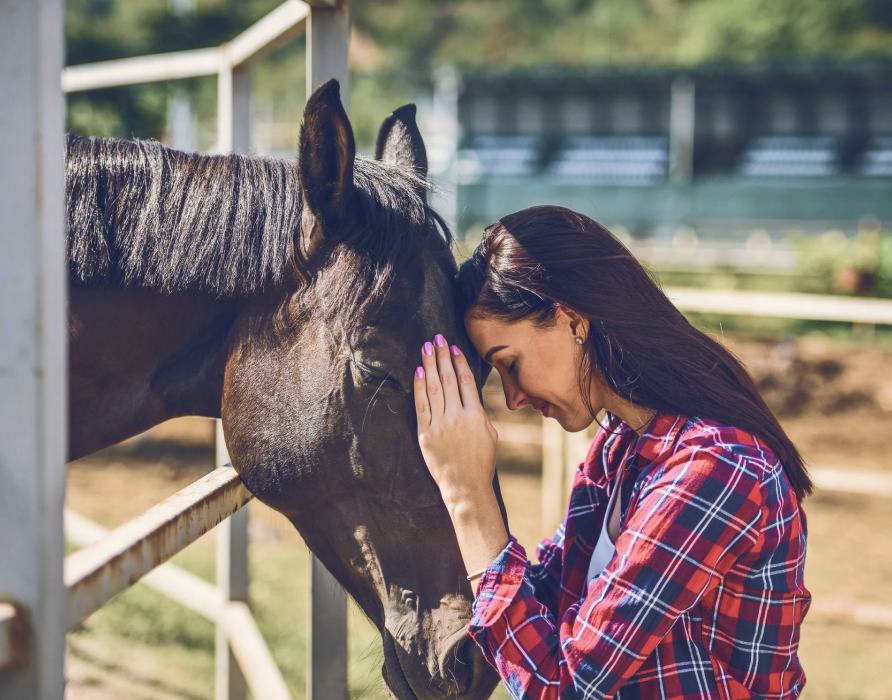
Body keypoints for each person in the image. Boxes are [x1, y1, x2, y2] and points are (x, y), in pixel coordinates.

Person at [413, 205, 811, 700]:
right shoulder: (620, 452)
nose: (513, 398)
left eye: (510, 363)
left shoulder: (715, 469)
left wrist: (468, 497)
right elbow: (550, 604)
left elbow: (562, 687)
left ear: (571, 319)